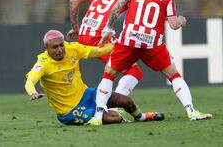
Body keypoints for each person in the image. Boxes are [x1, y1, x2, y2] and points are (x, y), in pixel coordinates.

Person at [88, 0, 213, 125]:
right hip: (151, 43)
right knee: (174, 75)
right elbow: (174, 25)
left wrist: (109, 29)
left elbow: (116, 7)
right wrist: (182, 20)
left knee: (109, 74)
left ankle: (98, 117)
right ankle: (191, 111)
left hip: (129, 40)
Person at [25, 30, 164, 125]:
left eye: (61, 45)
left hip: (86, 95)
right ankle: (117, 117)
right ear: (46, 47)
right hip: (69, 111)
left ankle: (141, 117)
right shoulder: (43, 63)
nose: (60, 49)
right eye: (55, 47)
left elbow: (99, 51)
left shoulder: (72, 49)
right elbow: (30, 81)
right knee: (113, 118)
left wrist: (121, 44)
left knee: (125, 101)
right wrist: (33, 93)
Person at [66, 0, 145, 96]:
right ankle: (114, 106)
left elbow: (74, 0)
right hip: (101, 37)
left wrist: (75, 27)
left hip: (83, 35)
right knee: (134, 72)